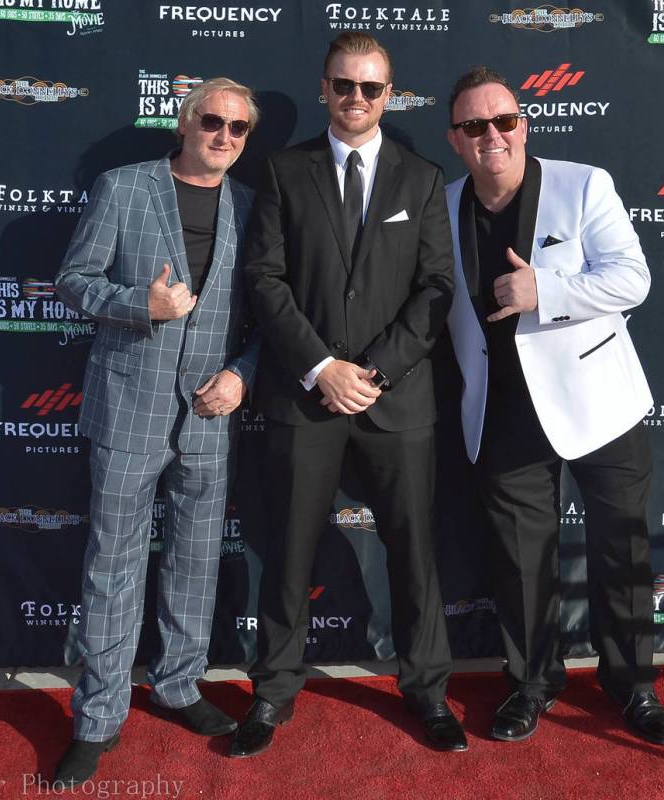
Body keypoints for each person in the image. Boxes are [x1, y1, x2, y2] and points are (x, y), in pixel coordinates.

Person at [231, 32, 466, 758]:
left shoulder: (422, 180)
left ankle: (427, 688)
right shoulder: (281, 171)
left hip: (396, 399)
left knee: (413, 552)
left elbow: (435, 290)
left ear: (388, 95)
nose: (355, 99)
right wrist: (321, 368)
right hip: (305, 397)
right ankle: (273, 691)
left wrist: (374, 373)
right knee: (290, 552)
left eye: (370, 88)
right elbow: (264, 279)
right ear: (323, 89)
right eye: (343, 85)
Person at [444, 66, 664, 746]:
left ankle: (633, 686)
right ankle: (532, 684)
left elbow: (631, 278)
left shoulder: (584, 184)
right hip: (502, 412)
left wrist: (543, 289)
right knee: (521, 566)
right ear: (456, 139)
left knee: (622, 552)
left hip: (600, 406)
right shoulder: (444, 202)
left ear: (524, 125)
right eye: (474, 126)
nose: (493, 135)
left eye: (504, 121)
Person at [52, 77, 260, 785]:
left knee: (197, 562)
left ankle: (178, 685)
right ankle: (98, 716)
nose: (224, 137)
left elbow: (264, 320)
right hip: (129, 405)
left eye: (238, 128)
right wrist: (140, 303)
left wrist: (241, 375)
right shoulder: (124, 188)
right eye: (212, 121)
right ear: (185, 121)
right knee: (113, 564)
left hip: (209, 410)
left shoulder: (251, 208)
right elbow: (75, 280)